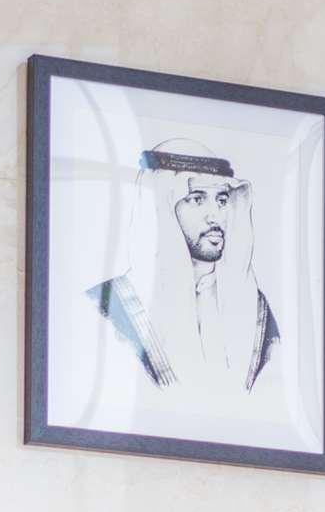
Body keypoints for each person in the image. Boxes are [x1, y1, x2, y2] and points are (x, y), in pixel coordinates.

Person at [90, 139, 280, 402]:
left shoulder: (257, 311)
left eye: (222, 200)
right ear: (162, 207)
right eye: (197, 199)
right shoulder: (110, 307)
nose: (215, 216)